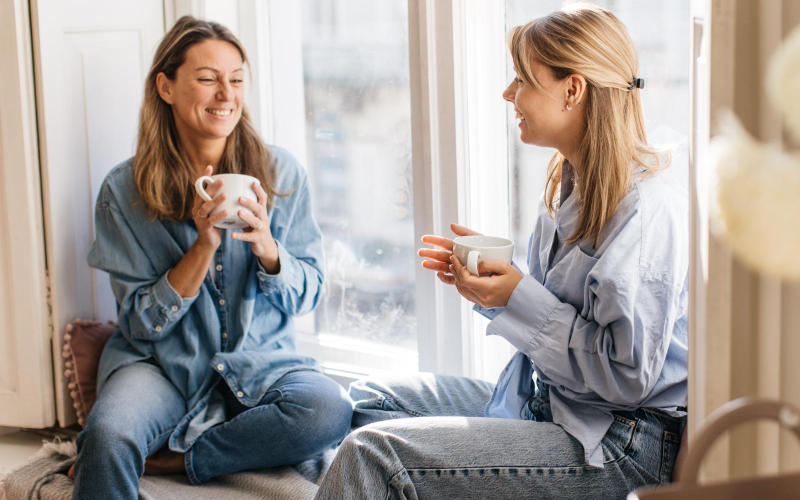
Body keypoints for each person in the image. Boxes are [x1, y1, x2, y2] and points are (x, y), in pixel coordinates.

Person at [314, 4, 687, 499]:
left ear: (573, 90)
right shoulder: (565, 184)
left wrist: (518, 298)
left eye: (522, 79)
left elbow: (626, 378)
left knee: (374, 452)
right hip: (553, 401)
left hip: (618, 440)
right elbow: (556, 315)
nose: (508, 93)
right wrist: (497, 288)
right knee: (373, 400)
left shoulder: (647, 212)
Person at [72, 16, 352, 499]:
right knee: (106, 438)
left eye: (236, 79)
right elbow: (140, 323)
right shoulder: (123, 190)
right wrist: (203, 245)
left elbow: (307, 294)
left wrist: (266, 246)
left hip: (260, 361)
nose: (226, 94)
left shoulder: (281, 172)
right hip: (159, 365)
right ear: (166, 86)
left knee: (327, 409)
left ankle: (181, 459)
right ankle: (153, 448)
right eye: (207, 79)